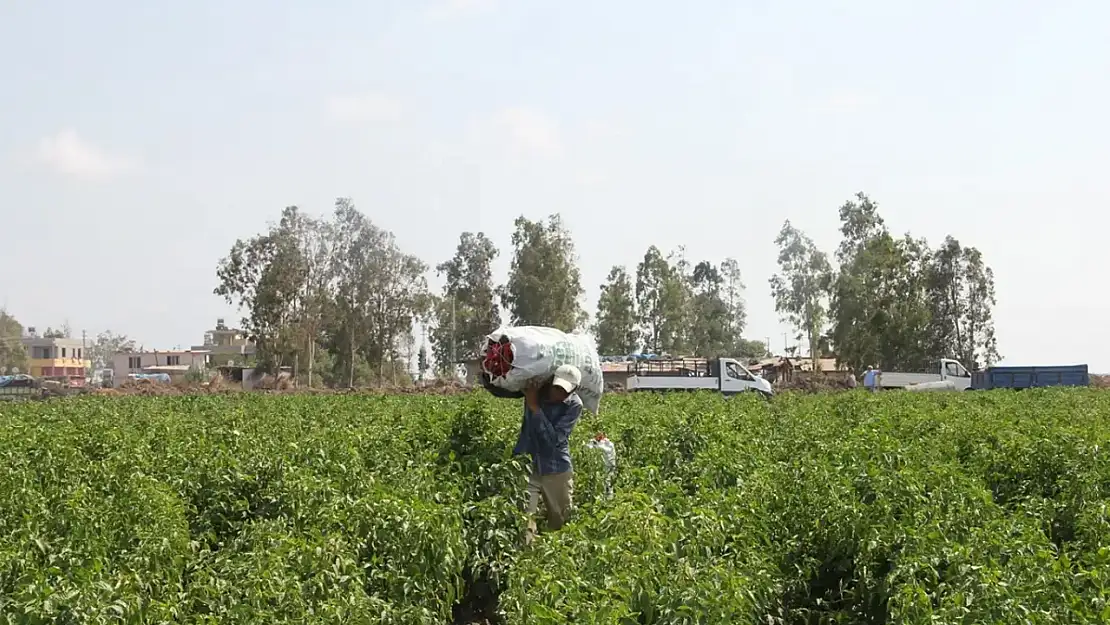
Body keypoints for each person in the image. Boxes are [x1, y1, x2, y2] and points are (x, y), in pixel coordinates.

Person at [513, 364, 582, 543]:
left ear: (574, 390)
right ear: (551, 381)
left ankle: (557, 563)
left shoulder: (574, 405)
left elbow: (553, 441)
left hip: (556, 468)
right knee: (523, 521)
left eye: (564, 390)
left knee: (560, 522)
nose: (559, 393)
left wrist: (535, 408)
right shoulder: (536, 392)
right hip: (527, 464)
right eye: (556, 387)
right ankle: (527, 560)